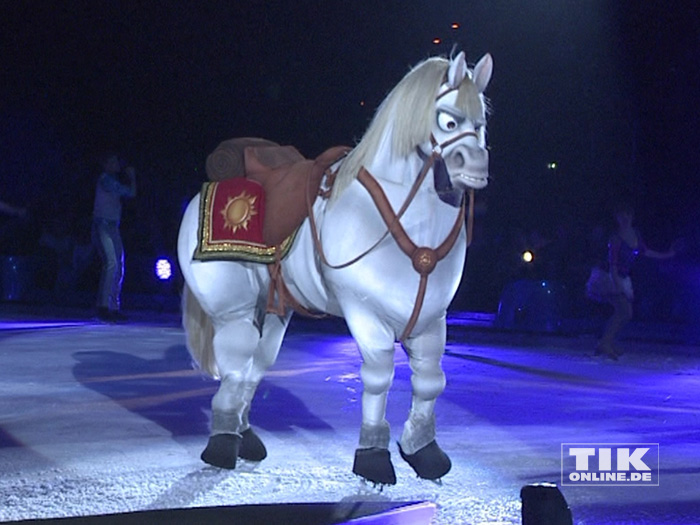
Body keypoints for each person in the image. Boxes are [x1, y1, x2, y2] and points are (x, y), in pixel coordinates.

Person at [596, 202, 675, 359]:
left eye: (627, 214)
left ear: (631, 216)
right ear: (617, 218)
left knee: (625, 312)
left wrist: (666, 255)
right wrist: (617, 283)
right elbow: (612, 263)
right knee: (624, 311)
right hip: (609, 276)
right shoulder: (615, 237)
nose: (624, 218)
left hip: (622, 276)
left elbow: (645, 251)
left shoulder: (635, 234)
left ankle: (606, 342)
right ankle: (605, 343)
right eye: (621, 215)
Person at [92, 152, 136, 322]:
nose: (116, 163)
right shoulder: (105, 179)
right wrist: (132, 178)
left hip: (112, 226)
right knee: (111, 263)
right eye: (112, 160)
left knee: (119, 264)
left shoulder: (112, 181)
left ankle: (114, 306)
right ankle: (103, 306)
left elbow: (130, 193)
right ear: (106, 164)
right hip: (102, 225)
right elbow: (130, 192)